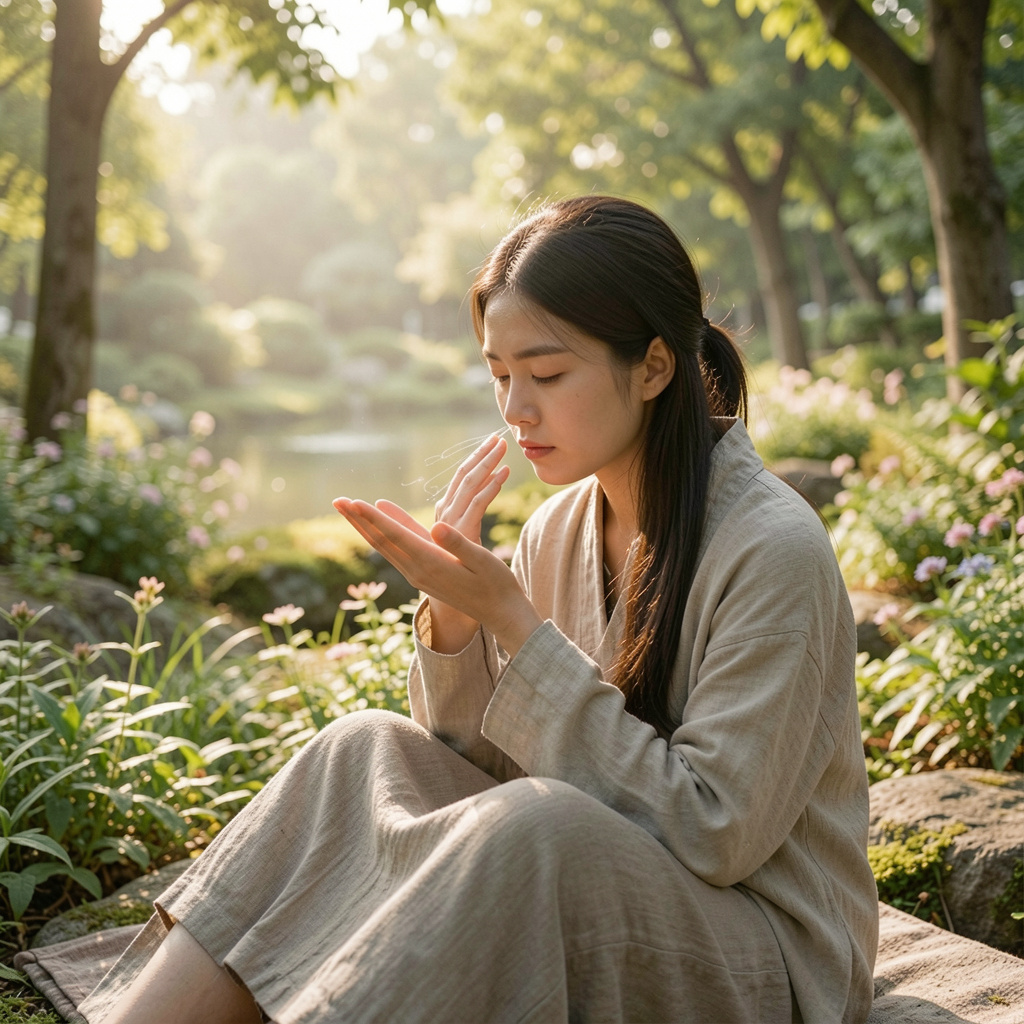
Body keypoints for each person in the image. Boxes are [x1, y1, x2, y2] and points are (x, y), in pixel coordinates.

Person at [83, 195, 877, 1024]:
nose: (515, 409)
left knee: (540, 833)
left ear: (652, 367)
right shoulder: (559, 527)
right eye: (500, 375)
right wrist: (456, 622)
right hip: (616, 888)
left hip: (769, 961)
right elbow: (488, 777)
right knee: (361, 750)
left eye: (547, 374)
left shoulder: (772, 548)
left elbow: (715, 833)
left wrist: (515, 627)